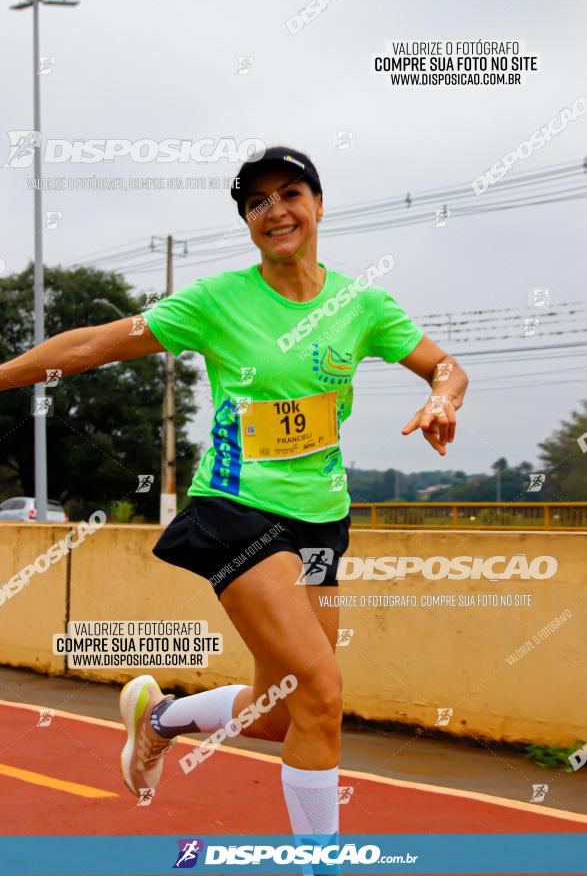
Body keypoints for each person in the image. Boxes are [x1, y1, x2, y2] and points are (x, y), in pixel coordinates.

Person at [0, 145, 468, 865]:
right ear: (248, 220)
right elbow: (96, 342)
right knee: (320, 690)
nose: (274, 211)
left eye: (289, 193)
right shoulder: (217, 301)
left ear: (317, 203)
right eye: (256, 202)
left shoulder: (361, 304)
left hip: (321, 521)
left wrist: (440, 395)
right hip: (238, 513)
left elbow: (444, 364)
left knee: (285, 712)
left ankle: (160, 717)